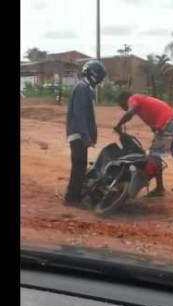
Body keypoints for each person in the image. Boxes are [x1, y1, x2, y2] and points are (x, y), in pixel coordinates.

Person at [114, 91, 173, 197]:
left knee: (154, 156)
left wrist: (119, 125)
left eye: (120, 104)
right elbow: (153, 123)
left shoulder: (133, 98)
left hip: (166, 122)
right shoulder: (143, 103)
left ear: (124, 99)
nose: (121, 108)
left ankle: (159, 188)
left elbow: (130, 112)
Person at [64, 59, 107, 207]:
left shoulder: (85, 88)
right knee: (79, 166)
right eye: (99, 76)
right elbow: (80, 115)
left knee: (79, 166)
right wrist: (86, 137)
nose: (99, 80)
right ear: (93, 74)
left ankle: (73, 196)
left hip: (78, 134)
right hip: (78, 135)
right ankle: (72, 199)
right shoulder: (83, 88)